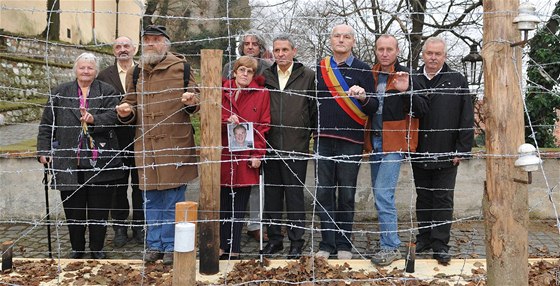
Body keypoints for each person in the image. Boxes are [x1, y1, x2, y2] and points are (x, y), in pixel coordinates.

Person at [115, 25, 200, 265]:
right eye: (147, 40)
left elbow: (195, 98)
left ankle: (173, 245)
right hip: (146, 145)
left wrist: (191, 100)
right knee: (150, 198)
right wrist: (125, 111)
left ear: (166, 43)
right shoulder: (136, 71)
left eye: (156, 40)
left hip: (174, 144)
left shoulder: (181, 67)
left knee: (173, 197)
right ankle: (155, 245)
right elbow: (130, 102)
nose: (151, 44)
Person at [37, 52, 125, 259]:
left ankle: (97, 248)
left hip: (100, 160)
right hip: (69, 161)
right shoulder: (60, 92)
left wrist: (95, 118)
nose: (86, 71)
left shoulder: (107, 91)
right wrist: (43, 150)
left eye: (90, 68)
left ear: (96, 71)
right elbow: (46, 124)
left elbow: (114, 116)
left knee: (99, 209)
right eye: (82, 67)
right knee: (74, 210)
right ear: (75, 69)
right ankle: (77, 248)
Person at [314, 24, 378, 260]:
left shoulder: (363, 69)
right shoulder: (320, 68)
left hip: (351, 141)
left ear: (353, 42)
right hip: (323, 140)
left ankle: (344, 244)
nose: (341, 40)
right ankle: (326, 244)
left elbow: (374, 106)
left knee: (347, 195)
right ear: (330, 40)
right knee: (324, 193)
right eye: (337, 35)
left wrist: (363, 97)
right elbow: (311, 105)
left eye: (346, 36)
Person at [364, 35, 429, 266]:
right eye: (380, 48)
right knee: (381, 195)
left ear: (397, 50)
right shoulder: (369, 74)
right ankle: (387, 242)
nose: (384, 53)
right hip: (374, 142)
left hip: (394, 143)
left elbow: (422, 109)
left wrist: (406, 90)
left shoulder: (407, 75)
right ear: (375, 50)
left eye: (389, 49)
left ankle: (390, 246)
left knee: (383, 193)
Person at [411, 37, 474, 264]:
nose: (433, 58)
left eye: (438, 54)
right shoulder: (413, 78)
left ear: (445, 56)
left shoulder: (456, 80)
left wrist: (462, 148)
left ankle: (440, 243)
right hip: (419, 150)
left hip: (447, 150)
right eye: (429, 53)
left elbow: (466, 115)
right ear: (423, 54)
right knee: (424, 197)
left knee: (443, 199)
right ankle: (425, 237)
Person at [261, 35, 316, 259]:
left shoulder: (308, 76)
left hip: (296, 145)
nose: (281, 54)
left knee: (294, 196)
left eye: (285, 49)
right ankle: (275, 240)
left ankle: (296, 241)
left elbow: (314, 109)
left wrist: (307, 134)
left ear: (294, 51)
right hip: (270, 144)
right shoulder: (265, 76)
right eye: (277, 50)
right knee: (272, 196)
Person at [223, 29, 272, 242]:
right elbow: (210, 111)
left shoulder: (263, 88)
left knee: (247, 195)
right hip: (224, 152)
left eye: (249, 72)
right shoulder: (222, 88)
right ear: (234, 72)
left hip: (248, 150)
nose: (244, 74)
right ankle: (224, 242)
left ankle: (244, 235)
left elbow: (263, 124)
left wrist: (258, 153)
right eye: (241, 70)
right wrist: (225, 119)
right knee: (224, 201)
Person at [97, 36, 145, 247]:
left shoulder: (145, 72)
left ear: (134, 49)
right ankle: (119, 228)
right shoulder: (103, 76)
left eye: (126, 46)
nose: (123, 49)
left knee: (140, 185)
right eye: (118, 46)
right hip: (114, 139)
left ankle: (140, 226)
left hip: (141, 136)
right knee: (117, 185)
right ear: (113, 50)